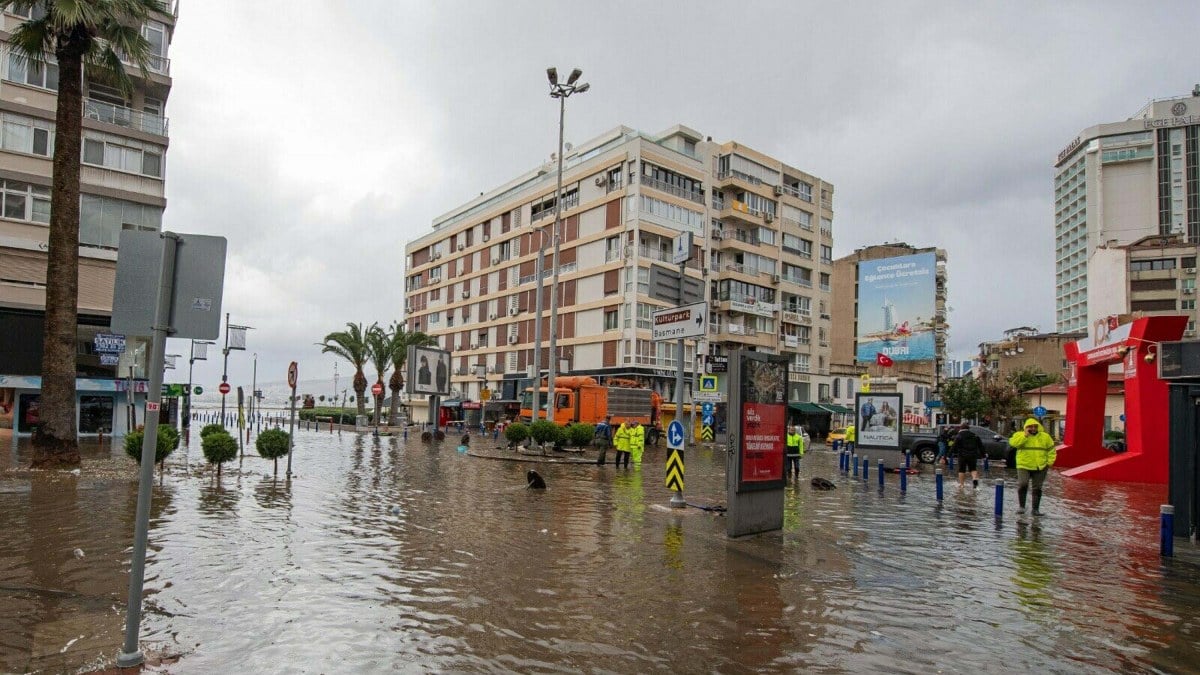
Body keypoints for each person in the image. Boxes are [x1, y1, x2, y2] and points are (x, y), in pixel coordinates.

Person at [1008, 418, 1056, 514]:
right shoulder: (1019, 435)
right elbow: (1013, 443)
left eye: (1035, 426)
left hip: (1040, 466)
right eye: (1030, 426)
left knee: (1037, 487)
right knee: (1023, 484)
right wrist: (1025, 436)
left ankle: (1035, 509)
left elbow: (1051, 450)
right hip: (1024, 465)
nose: (1033, 428)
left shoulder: (1045, 437)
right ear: (1026, 427)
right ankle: (1022, 507)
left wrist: (1049, 462)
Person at [953, 422, 984, 489]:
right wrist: (983, 455)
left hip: (962, 455)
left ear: (961, 428)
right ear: (968, 428)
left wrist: (948, 455)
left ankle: (962, 484)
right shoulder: (974, 435)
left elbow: (954, 446)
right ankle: (974, 479)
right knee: (973, 469)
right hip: (972, 455)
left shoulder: (959, 435)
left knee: (961, 470)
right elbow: (980, 446)